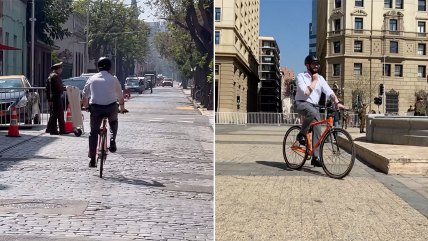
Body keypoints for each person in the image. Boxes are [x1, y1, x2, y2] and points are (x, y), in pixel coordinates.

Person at [295, 54, 345, 167]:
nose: (316, 66)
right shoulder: (301, 76)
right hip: (301, 103)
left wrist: (337, 102)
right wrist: (314, 80)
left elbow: (329, 92)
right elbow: (306, 92)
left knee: (318, 127)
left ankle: (315, 157)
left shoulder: (321, 79)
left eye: (317, 64)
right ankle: (301, 134)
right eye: (314, 64)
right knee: (312, 112)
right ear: (307, 65)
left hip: (314, 106)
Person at [82, 57, 128, 168]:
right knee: (113, 122)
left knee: (93, 133)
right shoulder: (114, 79)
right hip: (111, 107)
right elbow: (120, 96)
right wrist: (122, 108)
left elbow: (85, 95)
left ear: (97, 68)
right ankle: (112, 140)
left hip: (96, 108)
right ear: (110, 68)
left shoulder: (92, 79)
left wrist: (86, 106)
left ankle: (92, 159)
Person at [47, 62, 67, 135]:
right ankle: (61, 130)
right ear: (58, 69)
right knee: (59, 114)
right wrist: (65, 89)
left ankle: (52, 129)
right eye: (61, 68)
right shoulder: (55, 76)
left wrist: (49, 99)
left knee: (54, 114)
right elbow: (59, 87)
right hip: (56, 97)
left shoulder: (51, 76)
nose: (61, 70)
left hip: (53, 98)